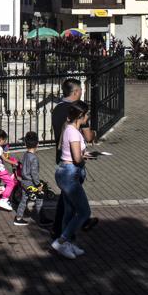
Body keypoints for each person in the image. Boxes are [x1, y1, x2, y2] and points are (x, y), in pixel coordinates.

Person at [50, 78, 94, 238]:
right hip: (73, 163)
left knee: (67, 196)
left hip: (61, 156)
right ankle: (64, 233)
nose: (82, 92)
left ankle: (62, 229)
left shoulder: (56, 109)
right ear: (75, 92)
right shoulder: (77, 112)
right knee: (70, 198)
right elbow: (88, 136)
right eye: (81, 90)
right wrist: (92, 133)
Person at [14, 131, 41, 226]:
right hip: (30, 183)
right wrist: (38, 184)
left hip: (24, 181)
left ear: (25, 144)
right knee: (40, 197)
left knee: (24, 199)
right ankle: (41, 218)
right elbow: (34, 173)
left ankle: (18, 217)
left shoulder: (25, 154)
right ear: (37, 144)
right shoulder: (34, 158)